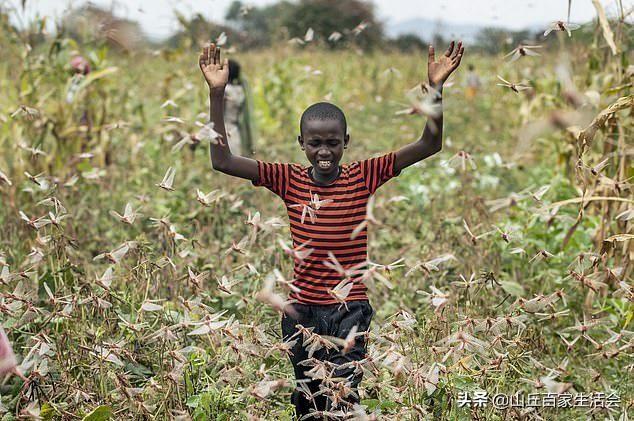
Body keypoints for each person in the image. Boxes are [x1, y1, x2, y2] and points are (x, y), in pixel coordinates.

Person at [198, 40, 464, 419]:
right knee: (308, 399)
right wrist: (217, 93)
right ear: (302, 144)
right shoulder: (287, 179)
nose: (325, 151)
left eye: (333, 143)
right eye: (316, 143)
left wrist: (436, 89)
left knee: (341, 395)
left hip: (349, 309)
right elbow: (222, 159)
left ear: (346, 143)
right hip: (300, 311)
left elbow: (429, 144)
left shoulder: (364, 175)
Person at [224, 59, 255, 156]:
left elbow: (216, 115)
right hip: (236, 131)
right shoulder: (240, 90)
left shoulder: (225, 91)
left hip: (224, 130)